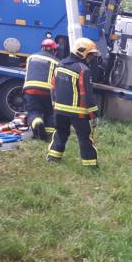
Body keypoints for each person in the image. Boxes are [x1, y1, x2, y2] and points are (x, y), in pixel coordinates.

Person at [47, 37, 99, 167]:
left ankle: (53, 157)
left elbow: (52, 88)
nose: (91, 58)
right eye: (90, 55)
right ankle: (90, 164)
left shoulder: (59, 65)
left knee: (60, 133)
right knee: (84, 137)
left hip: (59, 111)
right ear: (83, 52)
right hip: (78, 113)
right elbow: (87, 94)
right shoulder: (83, 70)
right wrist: (93, 115)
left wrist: (55, 106)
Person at [23, 38, 59, 141]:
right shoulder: (56, 61)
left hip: (29, 89)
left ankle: (37, 122)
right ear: (53, 50)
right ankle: (49, 136)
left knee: (33, 111)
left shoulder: (31, 57)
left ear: (42, 48)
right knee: (49, 112)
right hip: (46, 90)